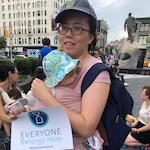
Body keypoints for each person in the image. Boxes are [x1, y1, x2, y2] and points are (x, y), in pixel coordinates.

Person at [10, 0, 111, 149]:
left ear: (91, 37)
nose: (68, 34)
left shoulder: (97, 73)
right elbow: (43, 109)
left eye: (78, 28)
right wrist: (23, 112)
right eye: (64, 27)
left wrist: (46, 97)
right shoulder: (57, 61)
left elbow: (86, 128)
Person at [0, 62, 19, 137]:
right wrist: (24, 122)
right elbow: (2, 116)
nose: (18, 76)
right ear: (10, 74)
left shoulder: (12, 89)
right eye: (17, 73)